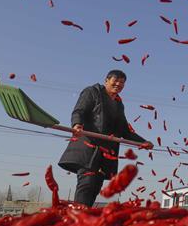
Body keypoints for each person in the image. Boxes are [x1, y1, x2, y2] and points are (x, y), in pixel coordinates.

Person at [58, 70, 153, 206]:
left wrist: (143, 142)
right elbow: (80, 110)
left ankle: (84, 216)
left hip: (105, 154)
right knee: (87, 183)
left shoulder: (118, 104)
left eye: (122, 82)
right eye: (116, 80)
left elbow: (124, 130)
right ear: (106, 80)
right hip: (88, 148)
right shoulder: (92, 92)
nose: (118, 84)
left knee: (95, 185)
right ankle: (77, 217)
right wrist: (77, 124)